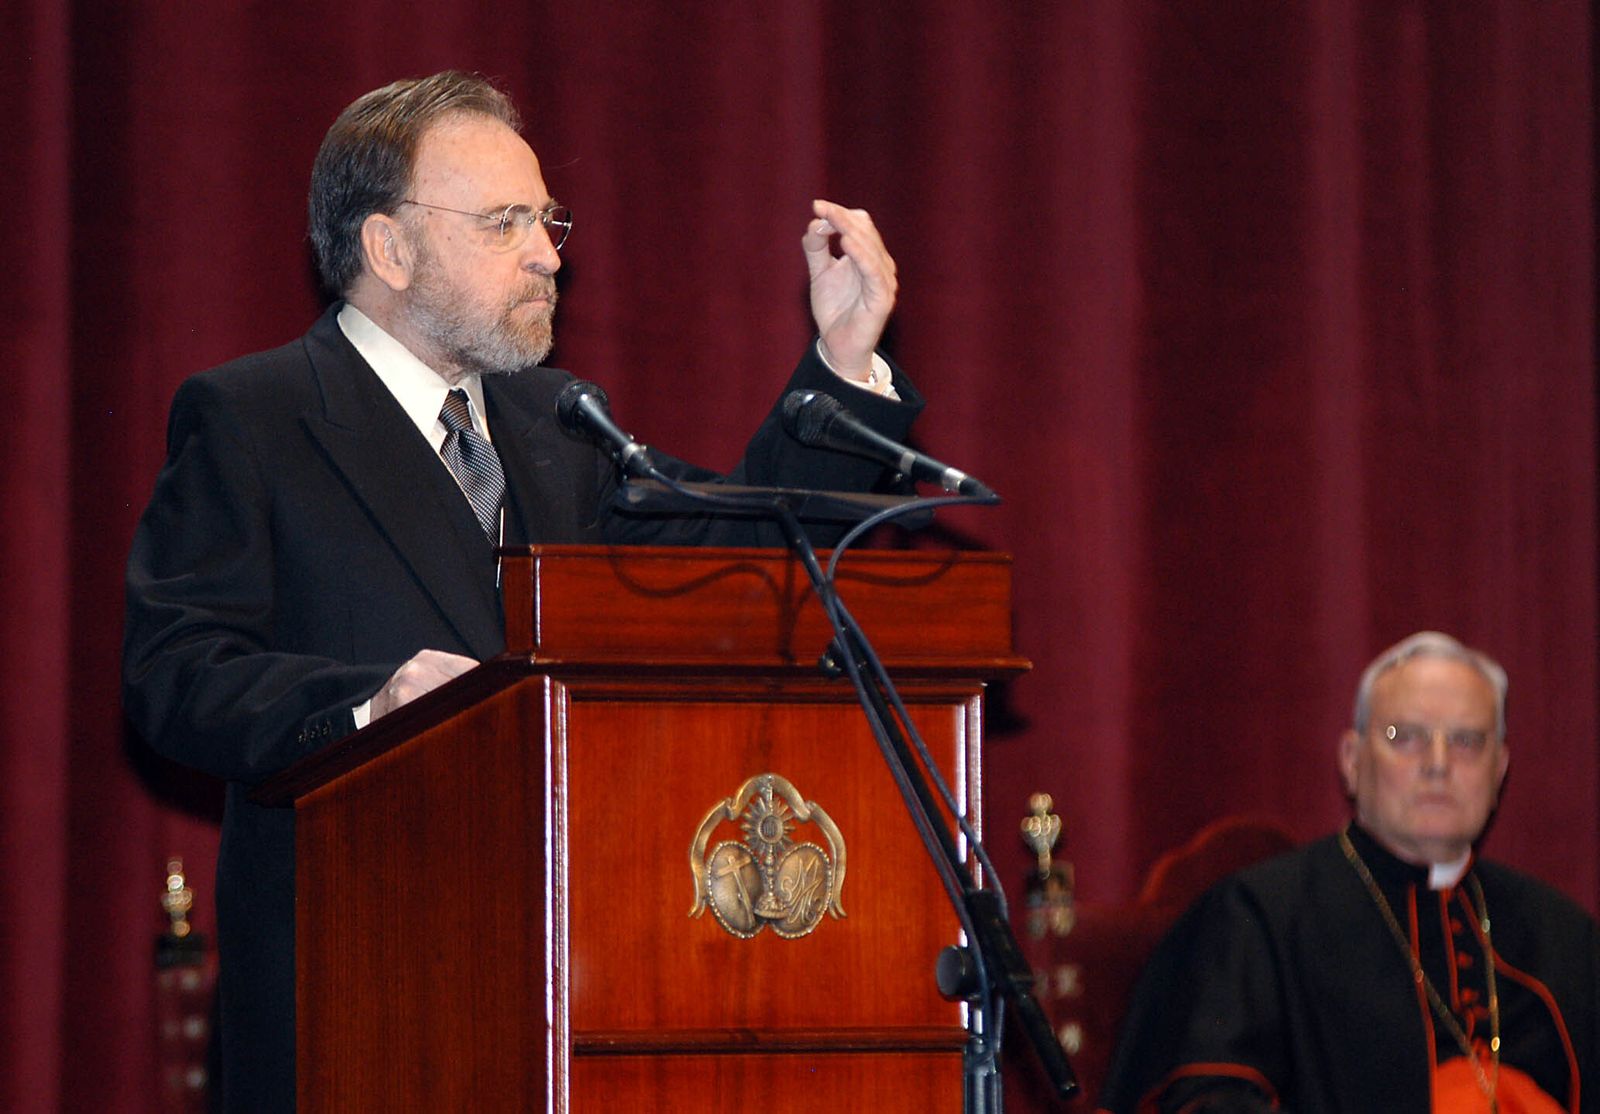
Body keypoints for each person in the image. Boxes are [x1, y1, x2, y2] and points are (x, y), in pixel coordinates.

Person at [122, 71, 923, 1112]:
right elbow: (175, 670)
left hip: (569, 987)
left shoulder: (556, 422)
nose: (551, 254)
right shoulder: (257, 416)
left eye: (547, 220)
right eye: (507, 223)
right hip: (360, 996)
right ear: (388, 248)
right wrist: (368, 709)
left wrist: (842, 360)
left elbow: (741, 555)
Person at [1100, 631, 1600, 1114]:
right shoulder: (1257, 918)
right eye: (1404, 736)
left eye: (1468, 740)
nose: (1439, 763)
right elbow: (1205, 1098)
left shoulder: (1566, 939)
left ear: (1500, 768)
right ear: (1352, 760)